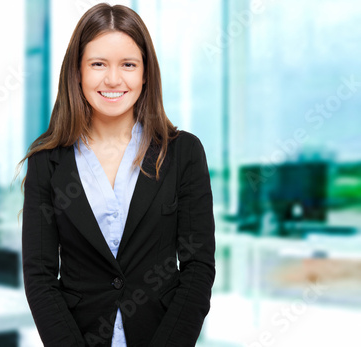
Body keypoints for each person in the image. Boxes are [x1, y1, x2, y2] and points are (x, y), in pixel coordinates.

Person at [17, 3, 215, 346]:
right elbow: (40, 277)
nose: (113, 79)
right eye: (98, 64)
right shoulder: (47, 161)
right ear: (77, 72)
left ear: (145, 74)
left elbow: (198, 269)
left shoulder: (183, 152)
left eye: (128, 65)